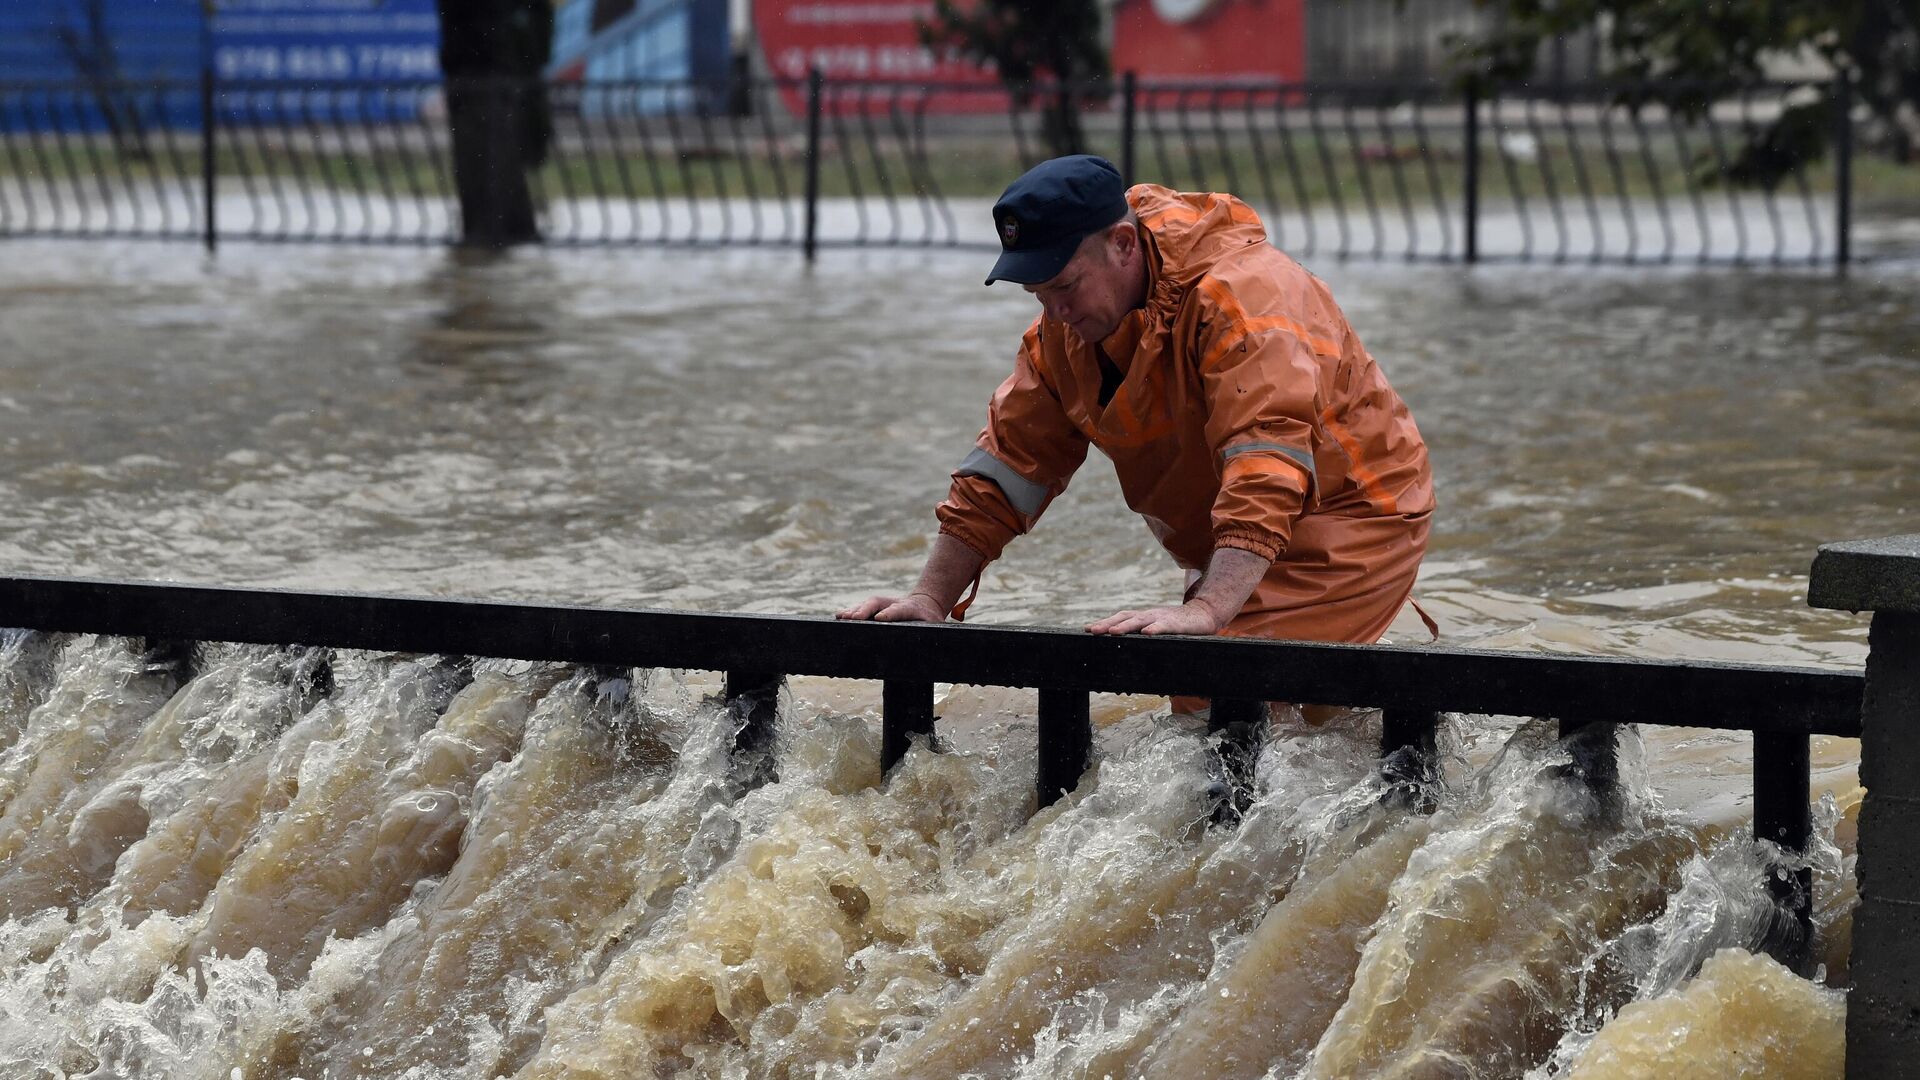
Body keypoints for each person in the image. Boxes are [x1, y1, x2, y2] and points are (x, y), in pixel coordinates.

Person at [837, 154, 1435, 718]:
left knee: (1212, 694)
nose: (1054, 310)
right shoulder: (1063, 334)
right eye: (1037, 293)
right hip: (1239, 530)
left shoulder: (1246, 297)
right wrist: (930, 599)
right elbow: (1008, 467)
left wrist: (1208, 608)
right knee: (1240, 702)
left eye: (1065, 285)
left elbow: (1267, 460)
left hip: (1357, 517)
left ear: (1123, 245)